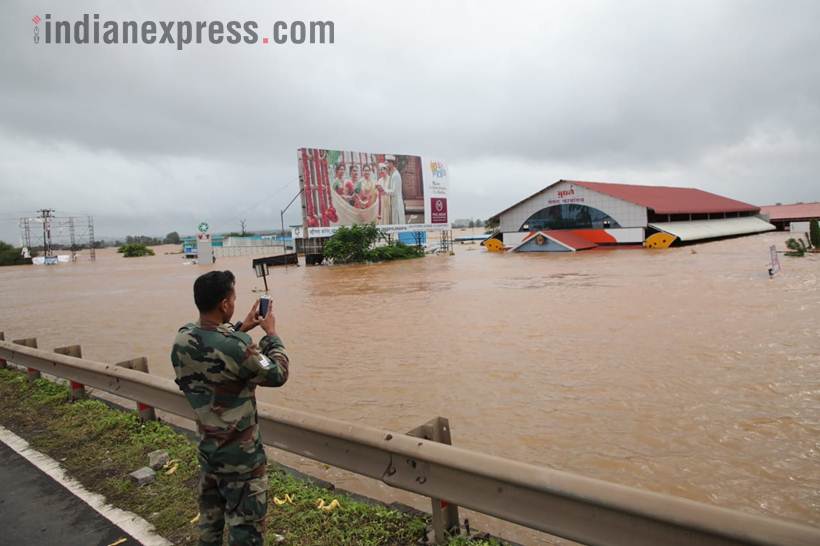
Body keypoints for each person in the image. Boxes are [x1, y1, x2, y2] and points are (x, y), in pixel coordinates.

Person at [170, 270, 289, 546]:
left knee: (209, 529)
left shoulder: (182, 339)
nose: (234, 304)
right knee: (245, 532)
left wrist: (240, 328)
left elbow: (215, 347)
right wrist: (271, 334)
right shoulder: (238, 347)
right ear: (225, 304)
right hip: (242, 463)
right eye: (233, 299)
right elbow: (277, 374)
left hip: (209, 455)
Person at [385, 156, 405, 224]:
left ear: (391, 163)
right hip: (394, 201)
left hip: (397, 202)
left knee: (397, 221)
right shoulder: (392, 174)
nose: (386, 165)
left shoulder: (395, 175)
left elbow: (394, 192)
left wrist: (384, 190)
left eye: (387, 163)